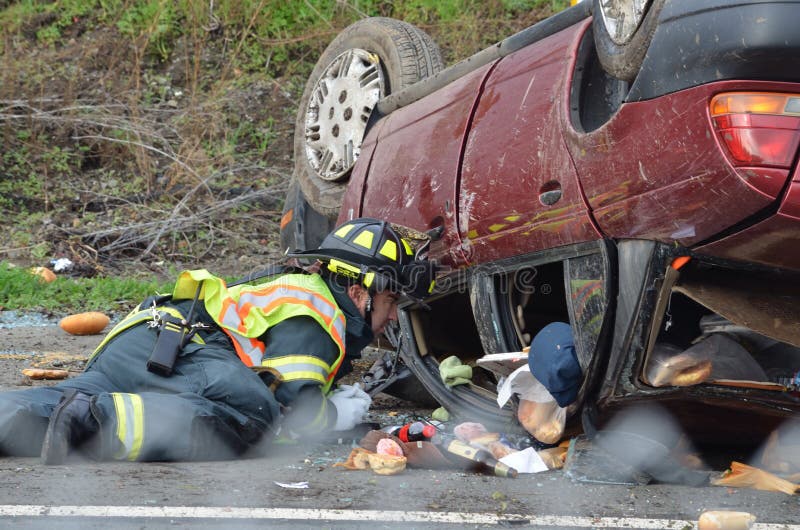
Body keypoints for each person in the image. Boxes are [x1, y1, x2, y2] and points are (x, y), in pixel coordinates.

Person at [0, 218, 436, 464]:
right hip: (175, 347)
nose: (394, 315)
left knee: (57, 404)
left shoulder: (306, 298)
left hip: (146, 345)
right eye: (392, 299)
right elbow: (296, 410)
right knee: (253, 413)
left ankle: (56, 414)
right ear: (359, 290)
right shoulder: (318, 313)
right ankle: (92, 421)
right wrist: (333, 415)